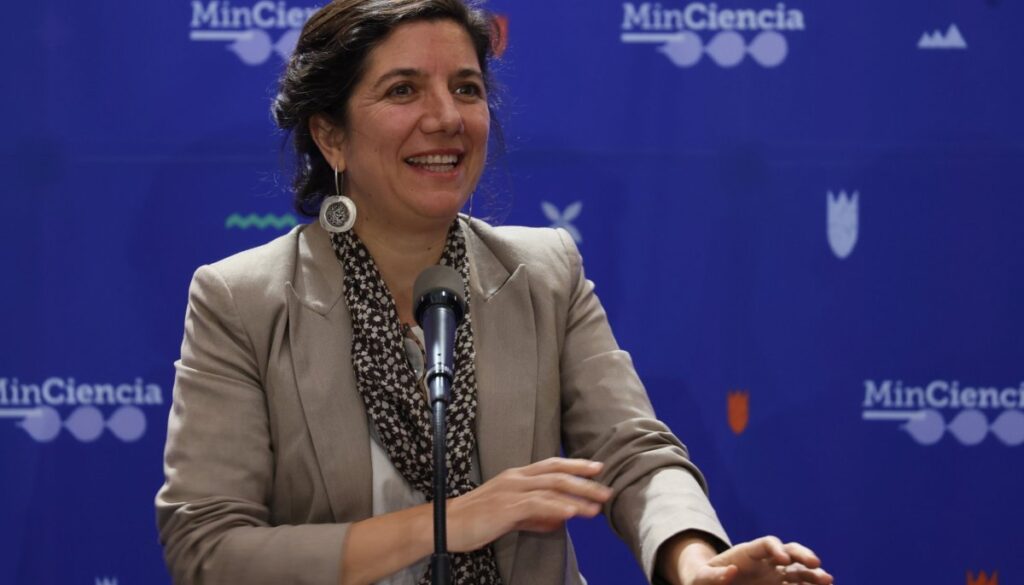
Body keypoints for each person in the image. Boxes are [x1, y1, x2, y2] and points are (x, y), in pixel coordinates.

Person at [156, 1, 835, 584]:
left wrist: (695, 565)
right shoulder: (241, 300)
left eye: (467, 88)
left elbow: (636, 455)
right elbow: (208, 549)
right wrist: (450, 522)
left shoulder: (544, 271)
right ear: (331, 135)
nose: (446, 117)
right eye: (403, 90)